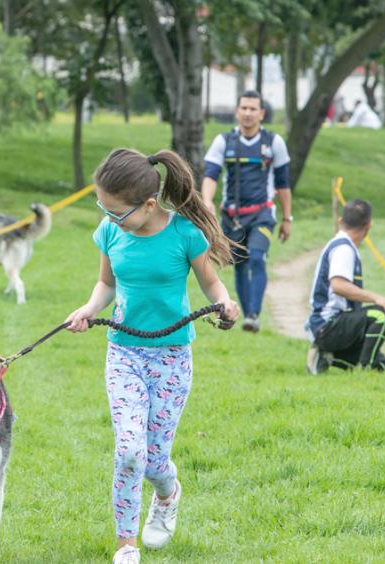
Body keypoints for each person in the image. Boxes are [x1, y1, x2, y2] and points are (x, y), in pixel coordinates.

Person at [65, 149, 239, 564]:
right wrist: (90, 309)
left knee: (155, 459)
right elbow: (106, 283)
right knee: (128, 450)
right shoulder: (109, 232)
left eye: (117, 212)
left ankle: (167, 492)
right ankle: (126, 544)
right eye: (103, 208)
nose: (110, 218)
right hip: (124, 354)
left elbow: (212, 284)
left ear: (148, 204)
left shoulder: (184, 235)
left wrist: (226, 303)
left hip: (172, 359)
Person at [201, 89, 293, 333]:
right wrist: (207, 201)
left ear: (262, 113)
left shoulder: (273, 143)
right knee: (240, 264)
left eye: (253, 109)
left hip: (262, 213)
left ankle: (253, 313)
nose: (248, 113)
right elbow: (210, 175)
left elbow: (283, 185)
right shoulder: (224, 141)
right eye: (244, 108)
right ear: (237, 111)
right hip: (232, 217)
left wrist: (287, 218)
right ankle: (247, 316)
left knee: (256, 256)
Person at [305, 199, 385, 374]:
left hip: (331, 325)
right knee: (380, 314)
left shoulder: (341, 245)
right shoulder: (344, 249)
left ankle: (326, 356)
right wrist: (376, 298)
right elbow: (338, 286)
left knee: (384, 366)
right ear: (368, 225)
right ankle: (367, 365)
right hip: (328, 325)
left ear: (340, 221)